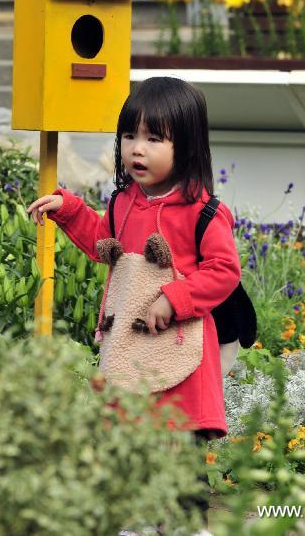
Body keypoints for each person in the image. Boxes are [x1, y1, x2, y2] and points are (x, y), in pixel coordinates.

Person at [28, 76, 242, 532]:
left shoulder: (203, 211)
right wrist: (67, 208)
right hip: (130, 350)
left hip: (181, 354)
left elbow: (224, 272)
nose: (136, 149)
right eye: (129, 136)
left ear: (186, 146)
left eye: (153, 138)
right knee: (129, 444)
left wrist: (175, 297)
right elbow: (103, 243)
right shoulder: (124, 201)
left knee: (180, 452)